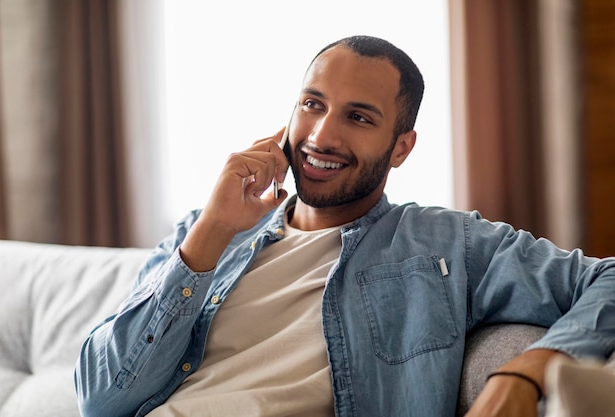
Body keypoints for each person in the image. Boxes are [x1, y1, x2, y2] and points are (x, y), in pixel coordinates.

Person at [75, 35, 615, 417]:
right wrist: (212, 232)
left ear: (401, 147)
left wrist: (528, 371)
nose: (321, 136)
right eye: (312, 104)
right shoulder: (204, 234)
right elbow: (102, 400)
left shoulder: (446, 244)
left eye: (358, 117)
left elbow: (605, 280)